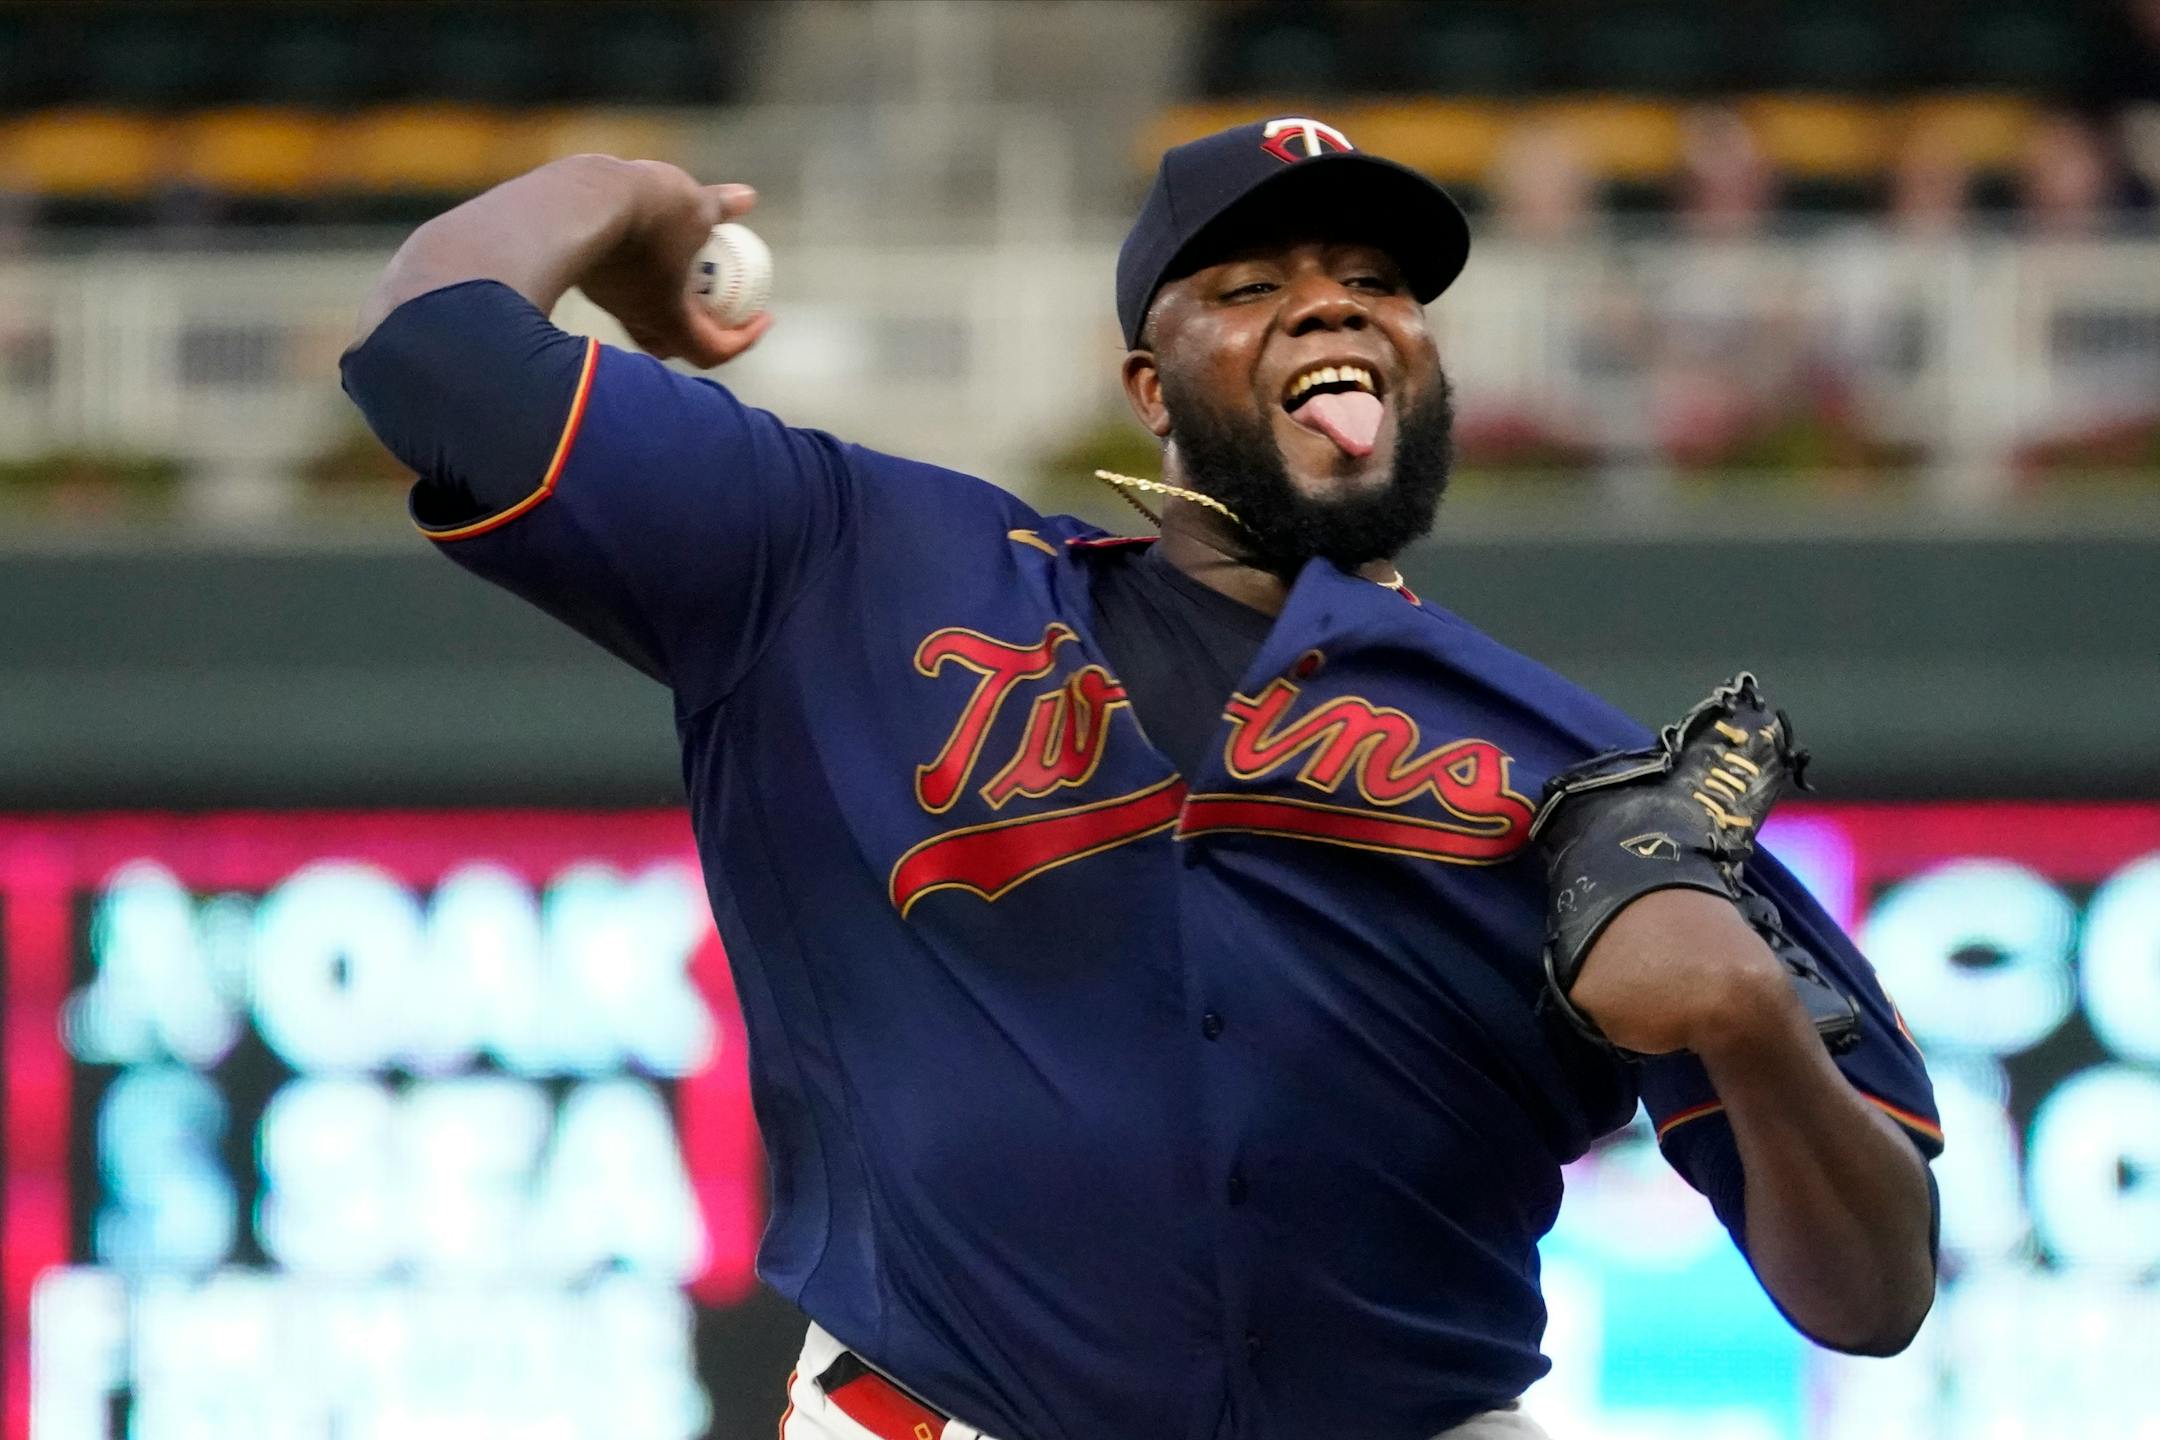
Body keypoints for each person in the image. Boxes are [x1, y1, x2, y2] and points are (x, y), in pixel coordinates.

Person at [340, 118, 1942, 1440]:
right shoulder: (850, 560)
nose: (1332, 307)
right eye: (1249, 284)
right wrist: (623, 196)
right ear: (1151, 391)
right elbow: (430, 355)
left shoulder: (1579, 772)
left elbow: (1873, 1295)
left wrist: (1746, 1021)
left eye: (1377, 281)